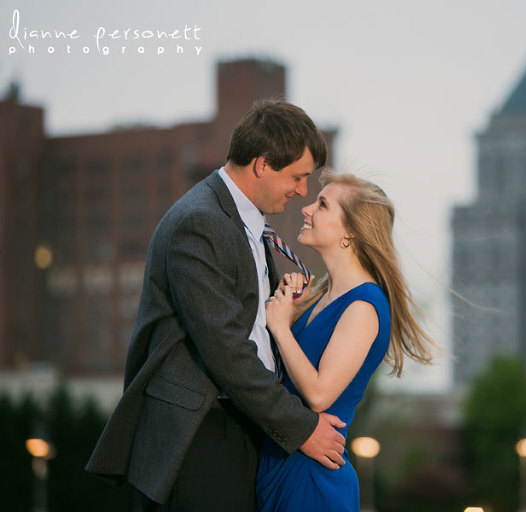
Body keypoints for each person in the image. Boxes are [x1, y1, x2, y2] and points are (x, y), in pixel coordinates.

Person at [86, 100, 347, 512]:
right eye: (297, 177)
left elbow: (250, 330)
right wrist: (302, 429)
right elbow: (226, 348)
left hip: (242, 424)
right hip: (200, 434)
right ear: (262, 164)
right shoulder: (199, 222)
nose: (302, 191)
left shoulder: (246, 222)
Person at [256, 170, 437, 511]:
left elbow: (320, 394)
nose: (307, 209)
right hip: (281, 465)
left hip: (312, 478)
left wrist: (280, 327)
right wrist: (290, 309)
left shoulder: (364, 305)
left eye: (322, 205)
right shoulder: (322, 295)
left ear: (351, 232)